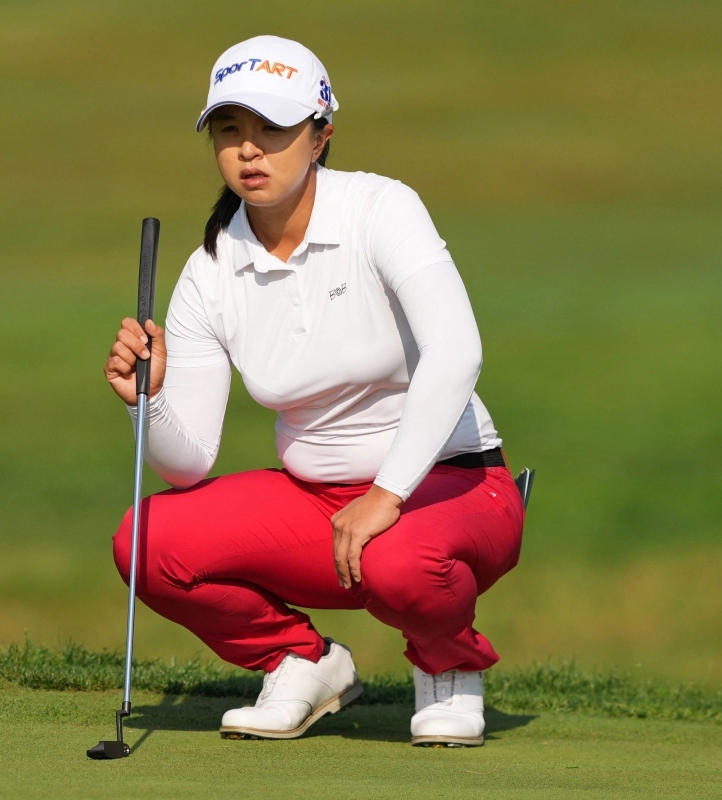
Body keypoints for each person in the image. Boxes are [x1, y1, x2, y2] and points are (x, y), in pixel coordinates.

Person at [102, 35, 524, 747]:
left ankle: (448, 666)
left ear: (321, 134)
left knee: (399, 561)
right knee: (147, 542)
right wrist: (148, 397)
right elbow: (187, 463)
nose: (249, 149)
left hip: (453, 487)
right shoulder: (211, 269)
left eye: (273, 129)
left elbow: (457, 353)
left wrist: (385, 495)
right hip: (319, 506)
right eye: (229, 130)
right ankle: (300, 662)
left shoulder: (380, 208)